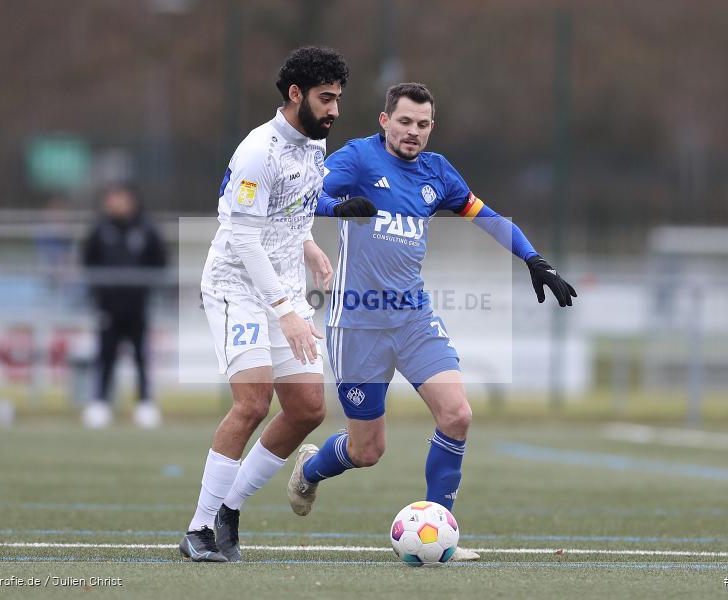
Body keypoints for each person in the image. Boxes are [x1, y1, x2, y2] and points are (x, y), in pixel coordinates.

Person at [286, 83, 577, 561]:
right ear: (385, 121)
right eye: (404, 122)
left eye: (422, 125)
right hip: (357, 324)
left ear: (431, 128)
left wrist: (533, 258)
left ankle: (442, 530)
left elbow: (490, 218)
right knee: (367, 451)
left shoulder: (437, 172)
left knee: (458, 415)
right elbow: (297, 198)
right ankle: (311, 469)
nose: (413, 132)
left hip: (414, 319)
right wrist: (335, 206)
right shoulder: (357, 159)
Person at [179, 46, 348, 563]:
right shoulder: (259, 150)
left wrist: (310, 243)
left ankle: (230, 507)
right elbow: (245, 237)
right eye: (325, 99)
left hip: (283, 287)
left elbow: (289, 213)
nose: (334, 110)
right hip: (239, 288)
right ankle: (198, 529)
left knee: (307, 409)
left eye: (338, 98)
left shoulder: (314, 144)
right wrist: (285, 309)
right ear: (295, 95)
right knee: (252, 402)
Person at [81, 183, 167, 429]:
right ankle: (99, 403)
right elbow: (88, 261)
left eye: (120, 198)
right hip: (107, 307)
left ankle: (144, 404)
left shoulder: (146, 228)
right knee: (105, 355)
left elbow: (160, 261)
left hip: (138, 306)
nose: (116, 203)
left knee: (141, 356)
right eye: (112, 198)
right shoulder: (100, 229)